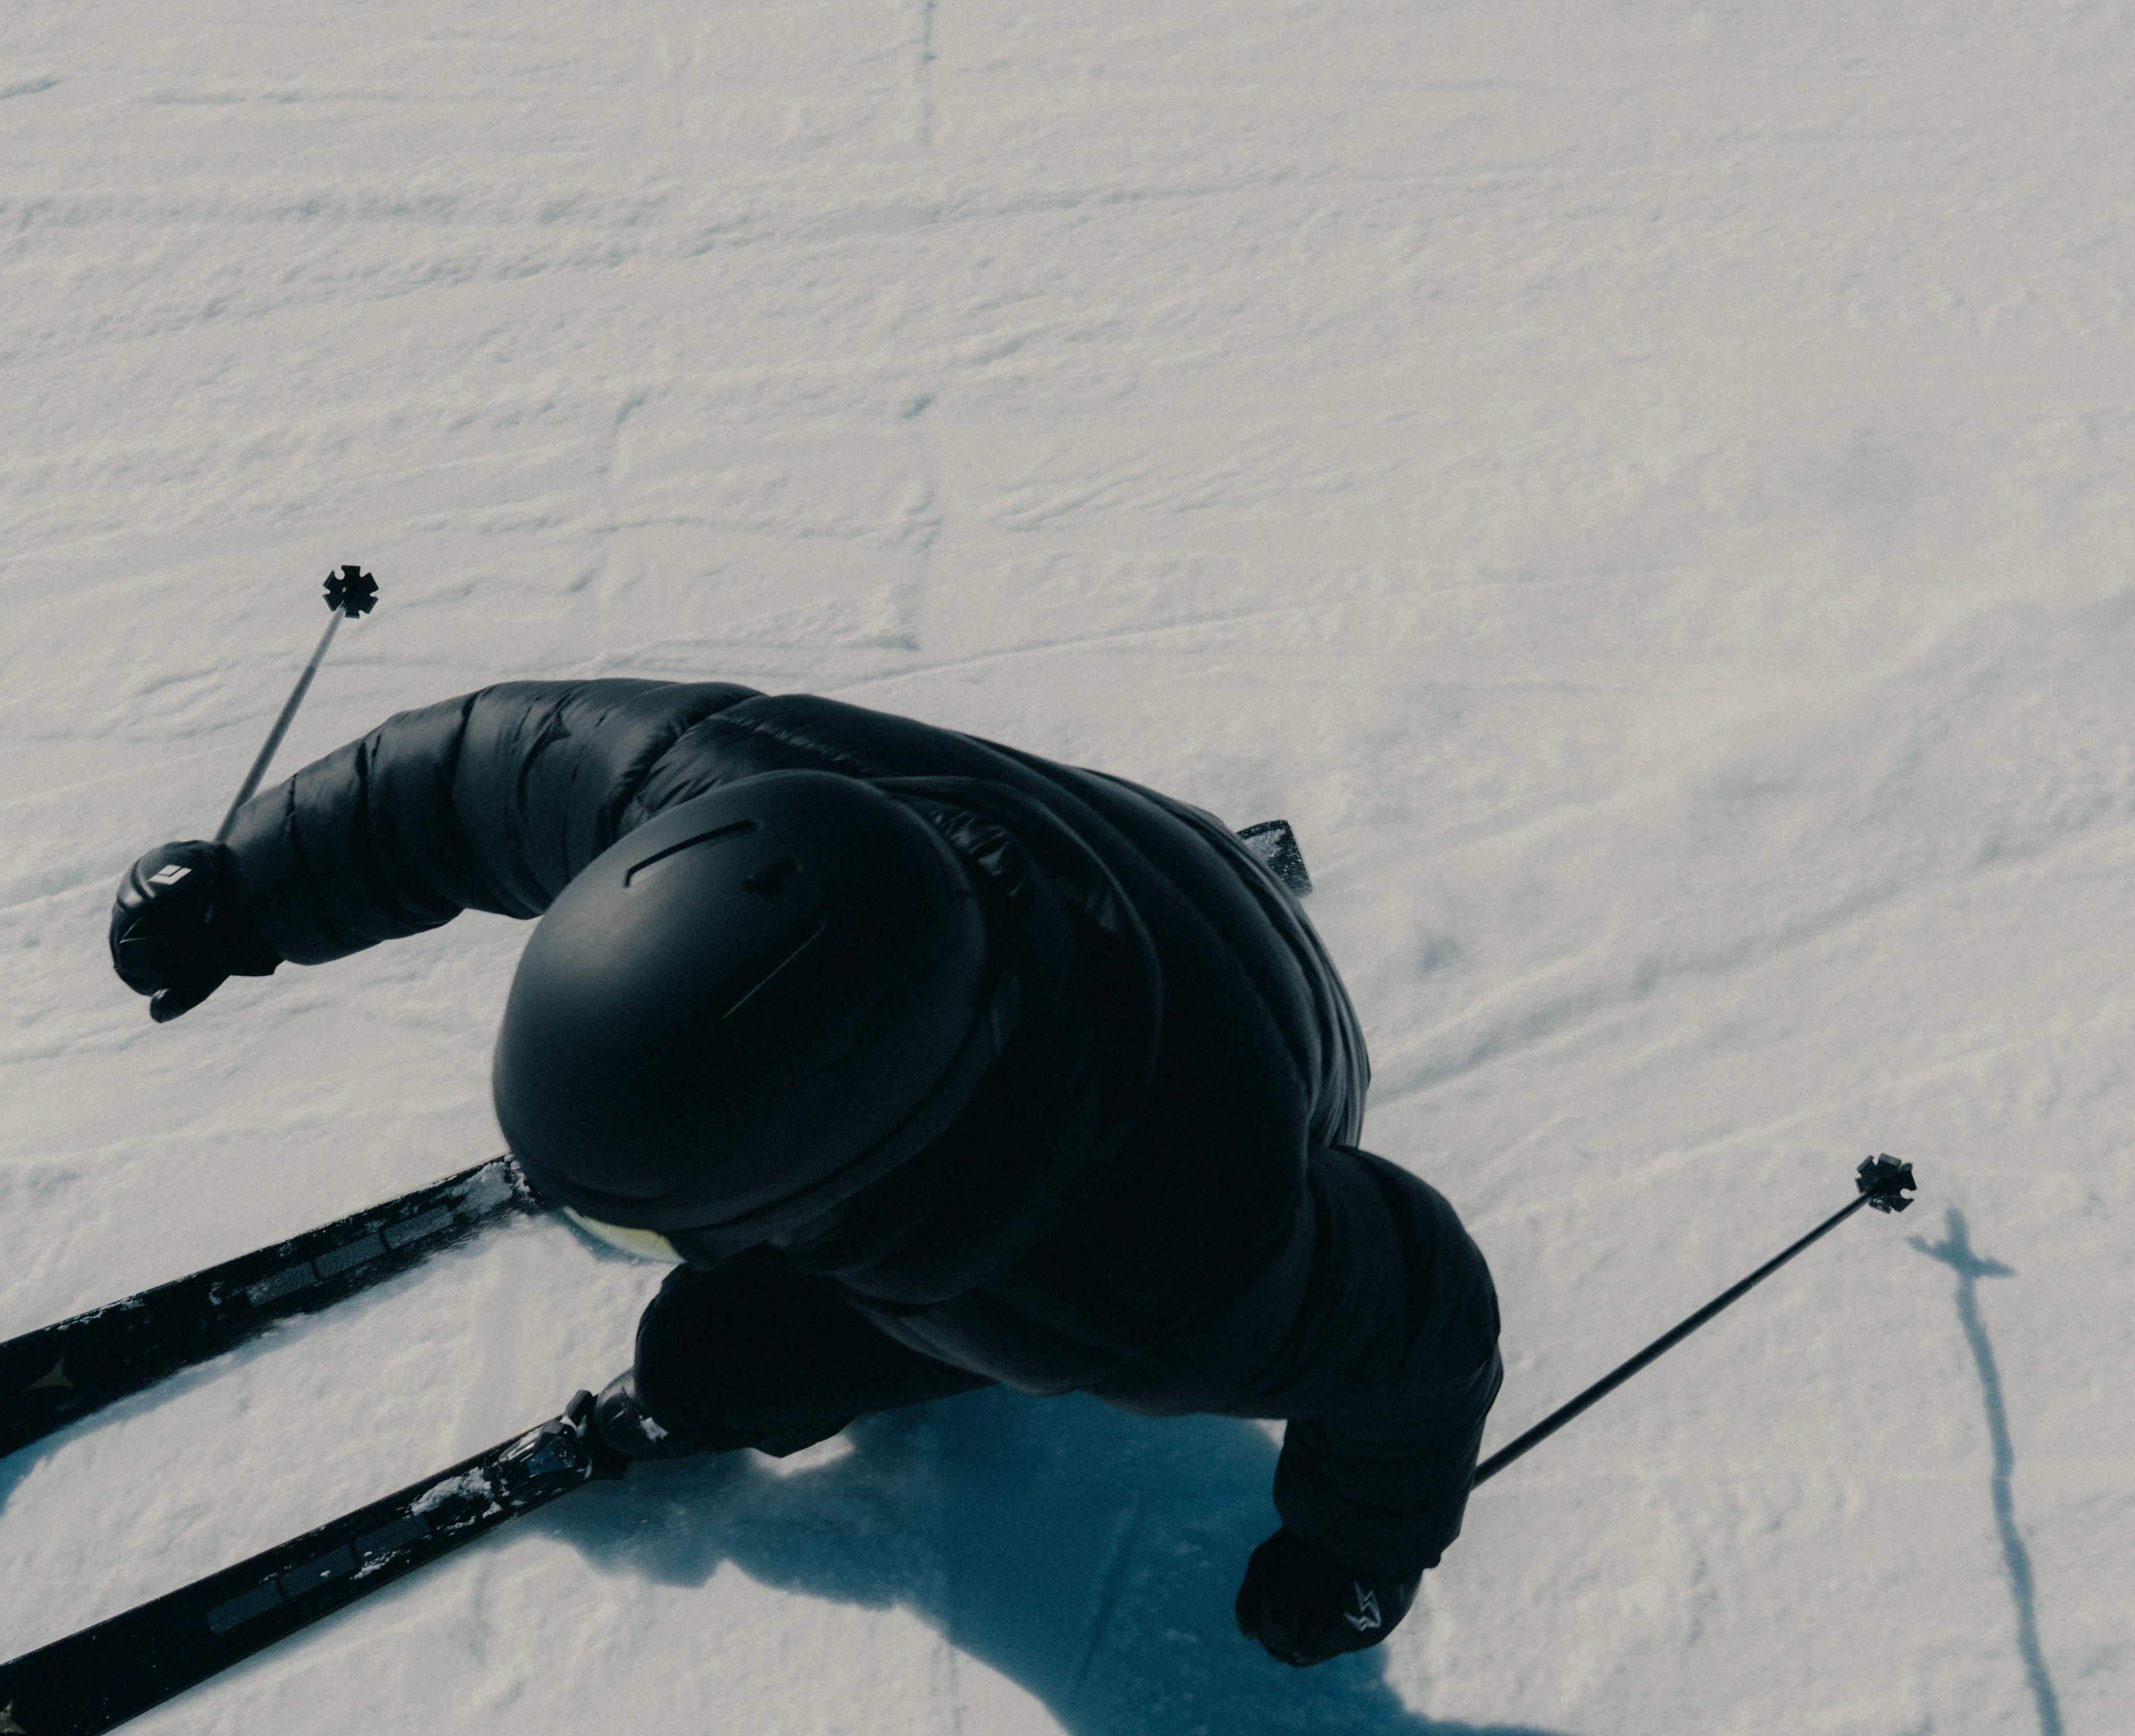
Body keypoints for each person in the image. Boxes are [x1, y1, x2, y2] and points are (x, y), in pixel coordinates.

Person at [107, 680, 1502, 1666]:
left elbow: (1421, 1334)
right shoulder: (722, 794)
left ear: (847, 1191)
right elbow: (484, 769)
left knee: (729, 1357)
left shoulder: (1135, 1274)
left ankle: (707, 1382)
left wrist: (1355, 1553)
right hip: (1120, 864)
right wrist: (253, 888)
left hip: (1261, 1061)